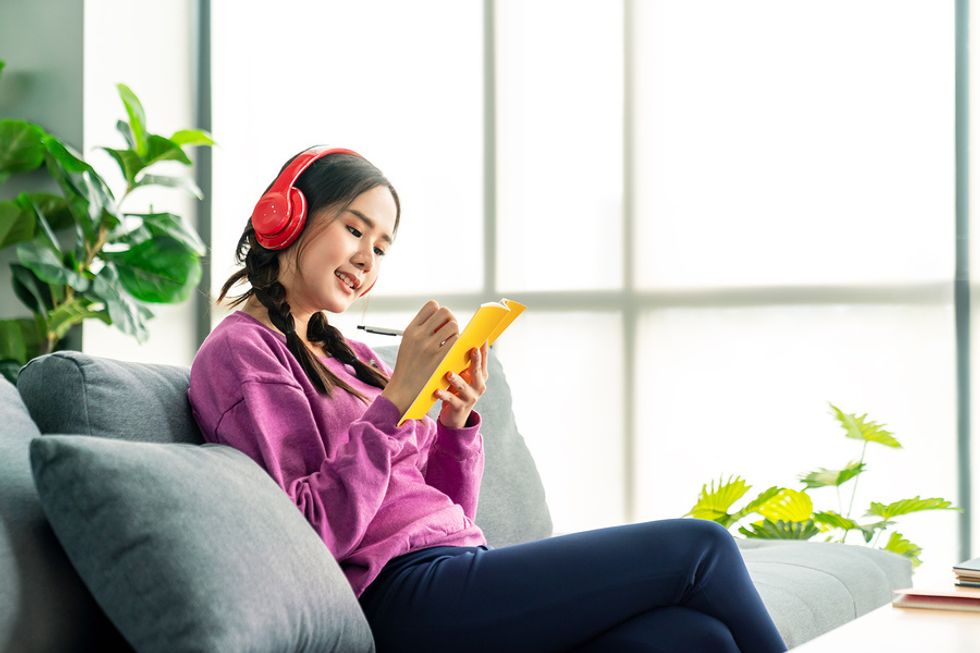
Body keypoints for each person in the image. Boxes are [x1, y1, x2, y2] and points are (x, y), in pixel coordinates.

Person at [187, 145, 788, 653]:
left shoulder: (354, 360)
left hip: (454, 572)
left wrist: (453, 424)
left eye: (383, 246)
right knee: (701, 546)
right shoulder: (243, 352)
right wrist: (396, 402)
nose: (368, 259)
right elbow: (309, 534)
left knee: (694, 637)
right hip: (399, 597)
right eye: (354, 228)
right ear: (284, 217)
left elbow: (446, 515)